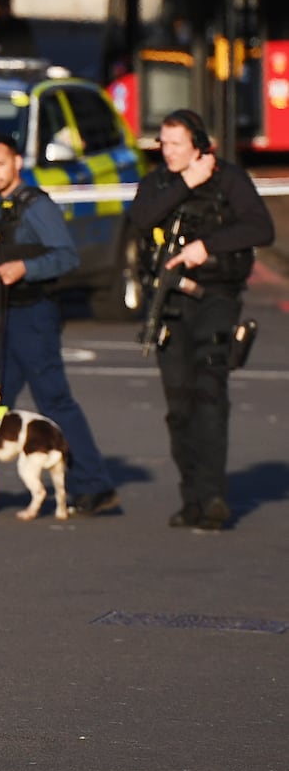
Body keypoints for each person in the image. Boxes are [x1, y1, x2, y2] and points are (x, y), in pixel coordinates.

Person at [0, 134, 119, 517]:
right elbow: (2, 270)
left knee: (54, 401)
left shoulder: (36, 207)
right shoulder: (1, 208)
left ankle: (94, 486)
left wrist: (27, 269)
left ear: (17, 161)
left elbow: (66, 258)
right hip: (5, 315)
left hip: (36, 316)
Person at [127, 109, 273, 530]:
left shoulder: (228, 179)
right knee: (180, 404)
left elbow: (261, 228)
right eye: (164, 144)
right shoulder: (160, 182)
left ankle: (212, 496)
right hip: (170, 302)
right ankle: (191, 495)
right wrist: (185, 184)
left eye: (176, 145)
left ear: (199, 145)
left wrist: (206, 247)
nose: (167, 152)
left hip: (215, 297)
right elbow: (140, 219)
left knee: (210, 391)